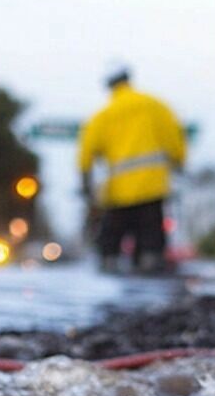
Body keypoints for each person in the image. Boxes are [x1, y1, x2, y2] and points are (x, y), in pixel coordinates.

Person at [79, 64, 187, 274]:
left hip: (119, 189)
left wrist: (86, 183)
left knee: (113, 232)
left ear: (110, 86)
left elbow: (86, 153)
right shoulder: (155, 105)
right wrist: (179, 162)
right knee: (150, 230)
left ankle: (110, 262)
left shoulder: (104, 115)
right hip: (152, 184)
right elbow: (175, 137)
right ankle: (149, 262)